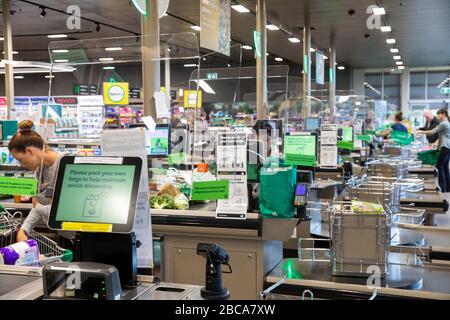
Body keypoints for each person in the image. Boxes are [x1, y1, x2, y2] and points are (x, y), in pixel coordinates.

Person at [8, 120, 63, 242]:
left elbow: (61, 212)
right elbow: (41, 204)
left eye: (20, 159)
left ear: (29, 152)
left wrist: (38, 206)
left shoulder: (64, 165)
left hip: (81, 238)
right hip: (63, 235)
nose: (21, 164)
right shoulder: (40, 169)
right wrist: (24, 230)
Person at [417, 108, 450, 192]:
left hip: (444, 147)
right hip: (447, 147)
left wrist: (420, 131)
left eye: (438, 114)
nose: (437, 116)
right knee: (445, 167)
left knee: (440, 166)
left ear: (443, 114)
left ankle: (443, 188)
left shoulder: (444, 123)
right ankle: (447, 188)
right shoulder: (447, 123)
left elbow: (432, 131)